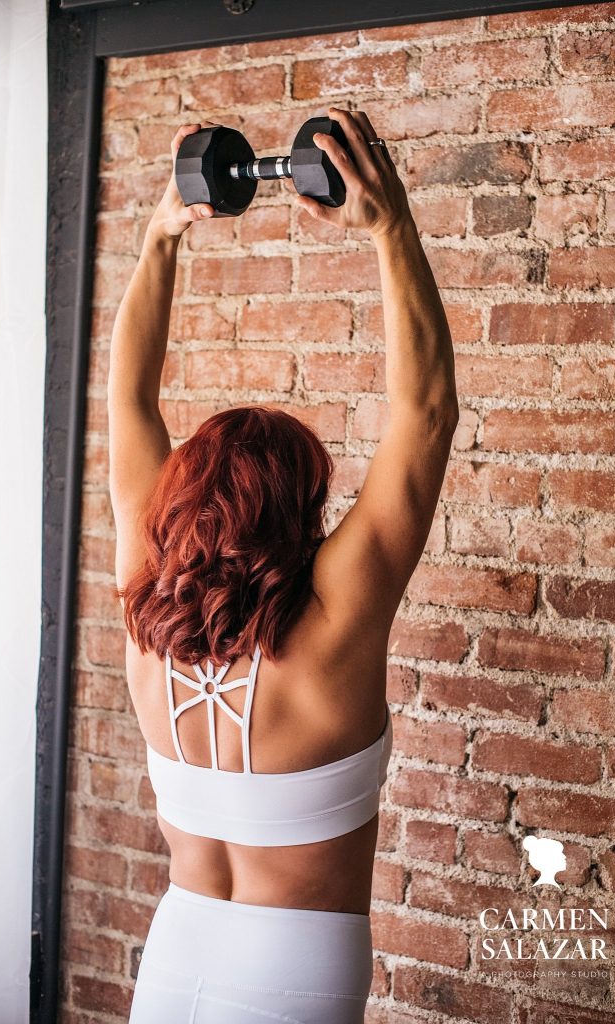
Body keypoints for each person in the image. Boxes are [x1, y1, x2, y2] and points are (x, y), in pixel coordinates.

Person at [107, 105, 459, 1024]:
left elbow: (128, 402)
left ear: (181, 499)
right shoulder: (334, 628)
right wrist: (390, 228)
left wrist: (161, 238)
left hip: (172, 946)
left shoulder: (147, 600)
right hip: (292, 973)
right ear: (299, 514)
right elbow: (424, 416)